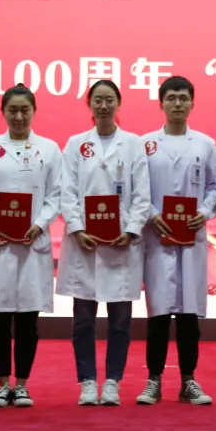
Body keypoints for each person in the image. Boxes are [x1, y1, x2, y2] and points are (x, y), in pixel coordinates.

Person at [56, 79, 151, 406]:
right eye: (97, 100)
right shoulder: (75, 144)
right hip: (85, 244)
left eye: (109, 99)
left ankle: (112, 382)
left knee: (120, 322)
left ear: (118, 103)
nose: (104, 106)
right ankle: (87, 381)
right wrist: (77, 228)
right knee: (82, 321)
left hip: (121, 245)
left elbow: (142, 195)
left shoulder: (133, 144)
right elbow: (66, 192)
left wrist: (132, 229)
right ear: (90, 105)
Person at [0, 85, 62, 408]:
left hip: (31, 244)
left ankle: (21, 385)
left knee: (27, 320)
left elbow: (55, 195)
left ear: (34, 111)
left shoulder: (49, 149)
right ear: (3, 112)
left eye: (25, 110)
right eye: (12, 110)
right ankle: (1, 384)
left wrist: (40, 224)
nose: (19, 116)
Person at [137, 76, 216, 406]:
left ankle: (189, 380)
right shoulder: (145, 144)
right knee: (158, 314)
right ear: (160, 103)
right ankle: (153, 380)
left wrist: (204, 211)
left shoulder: (204, 144)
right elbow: (138, 188)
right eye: (171, 97)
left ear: (192, 103)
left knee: (189, 315)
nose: (177, 103)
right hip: (157, 236)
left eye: (183, 98)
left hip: (191, 238)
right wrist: (151, 213)